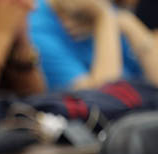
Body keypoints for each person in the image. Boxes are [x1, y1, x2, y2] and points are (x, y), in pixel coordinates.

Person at [30, 0, 158, 90]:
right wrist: (104, 19)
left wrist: (131, 25)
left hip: (140, 111)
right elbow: (103, 98)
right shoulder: (37, 29)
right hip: (107, 122)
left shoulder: (99, 6)